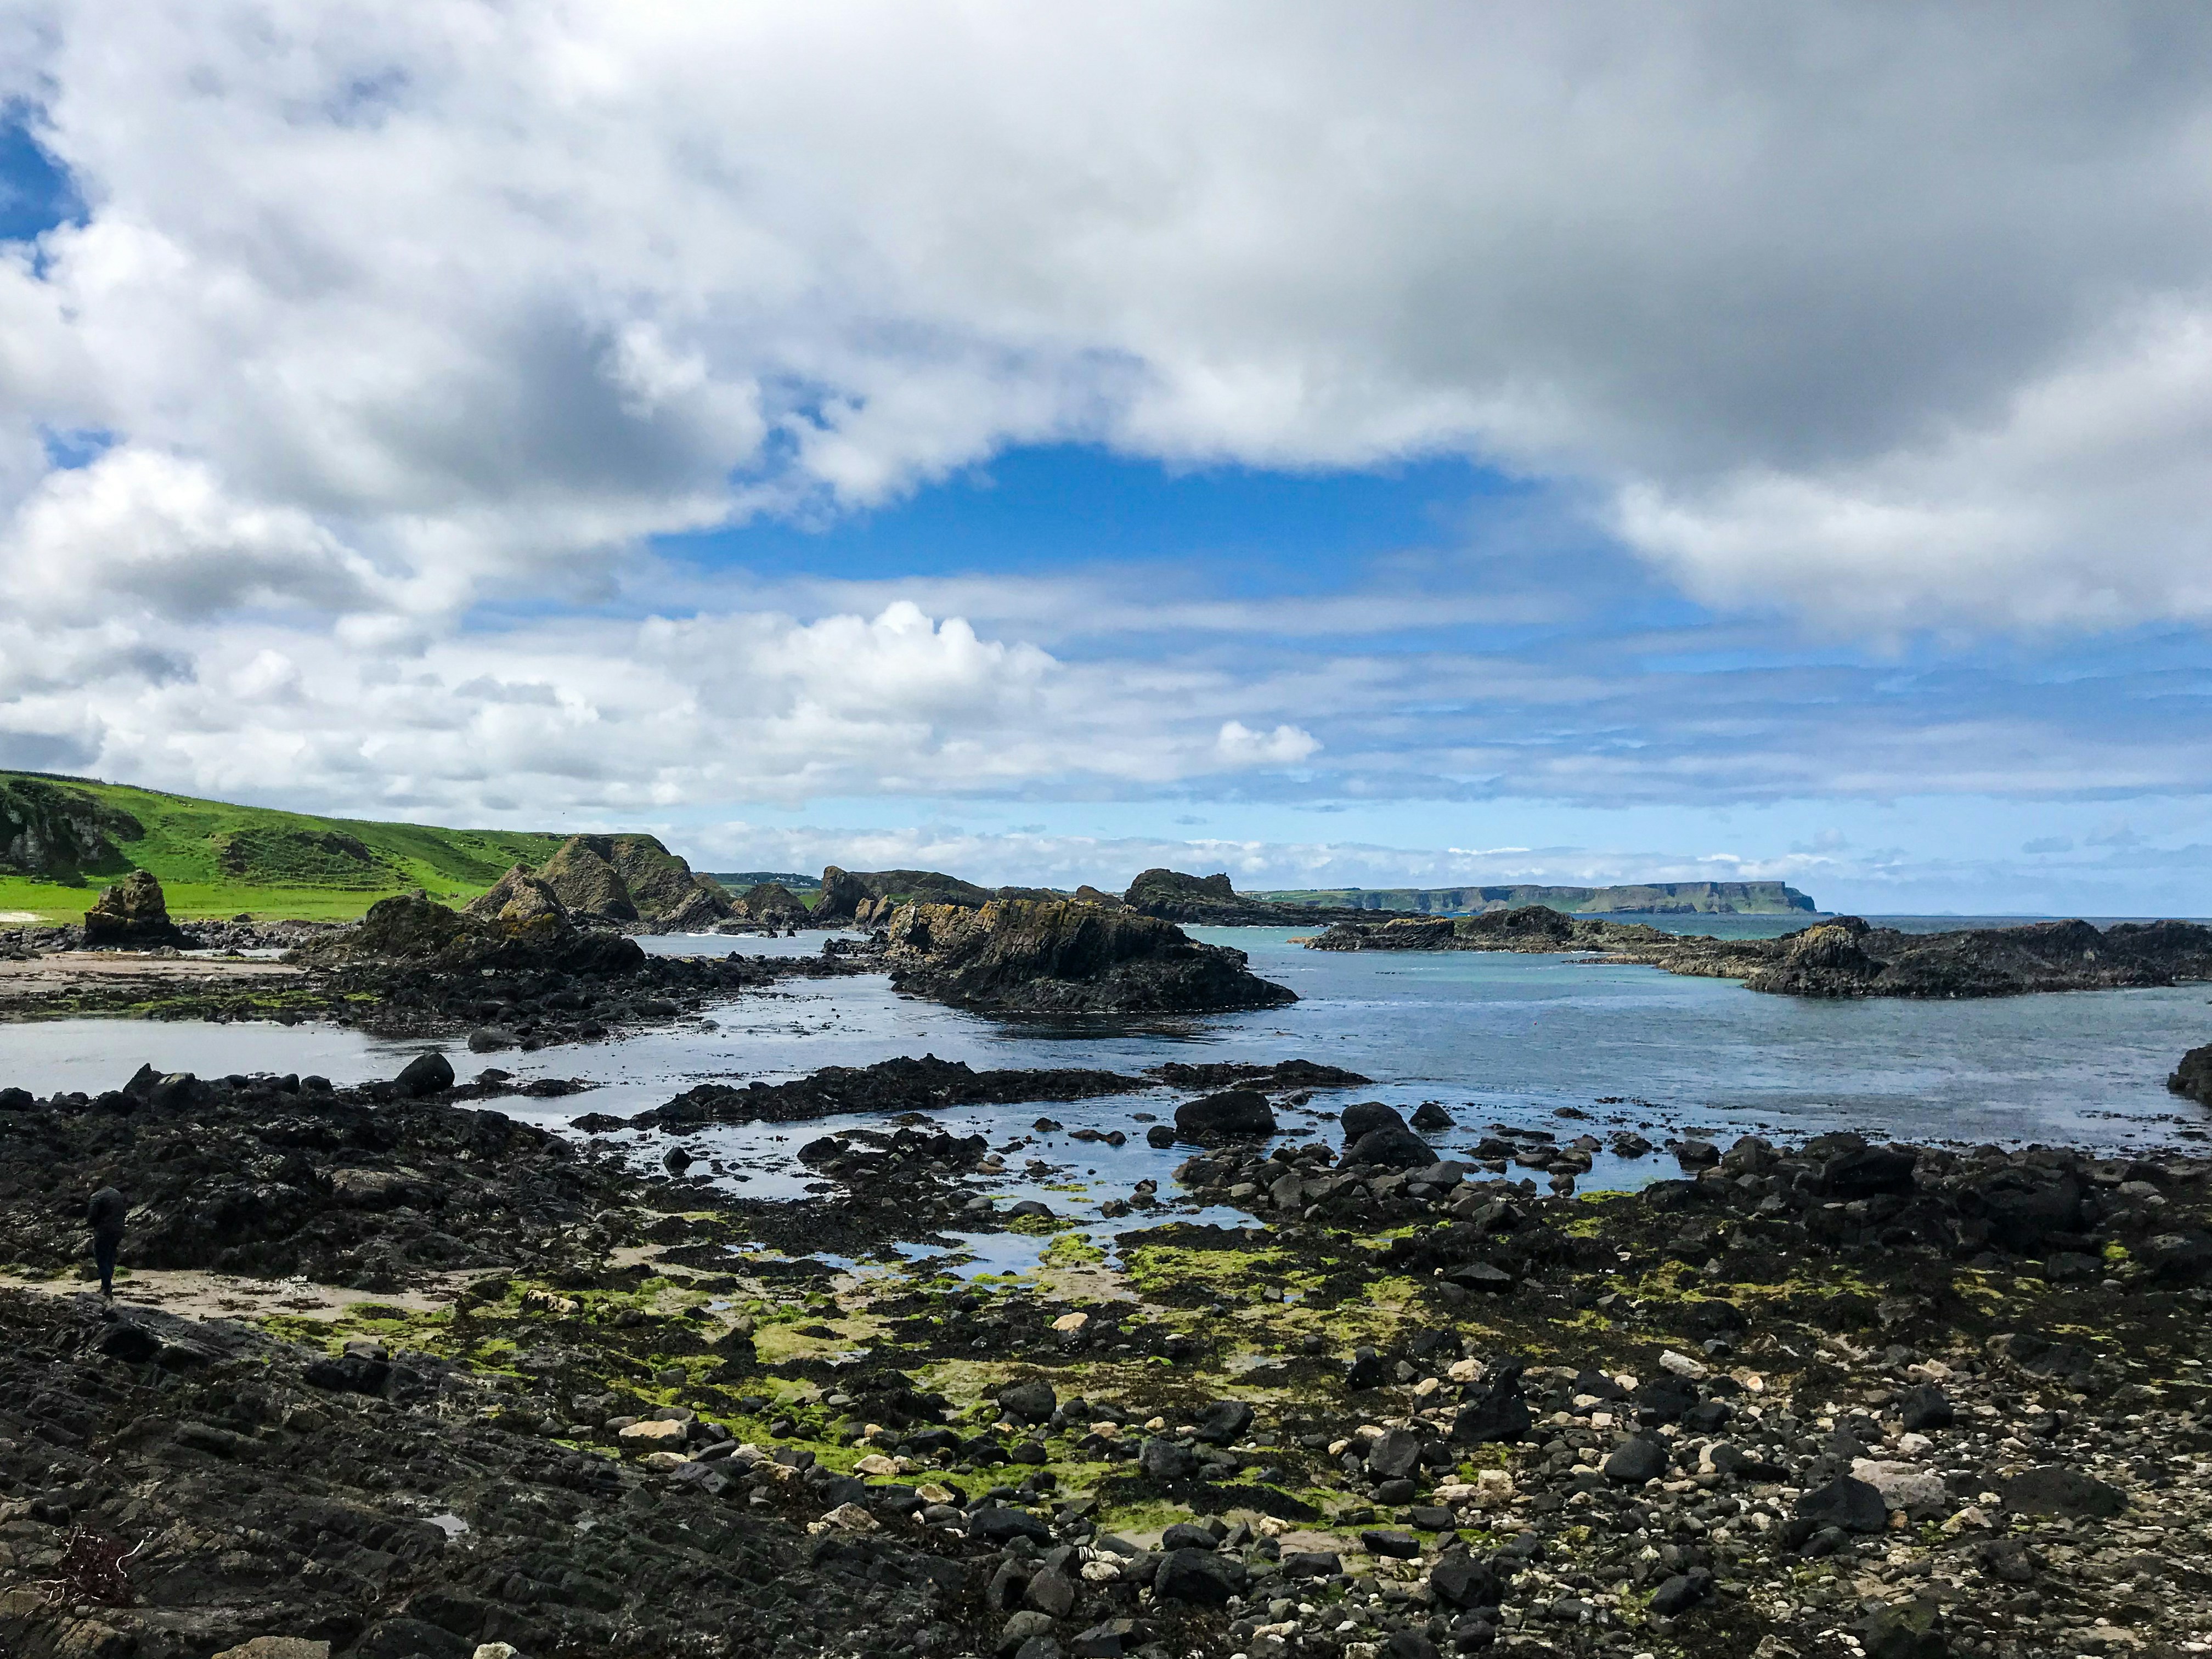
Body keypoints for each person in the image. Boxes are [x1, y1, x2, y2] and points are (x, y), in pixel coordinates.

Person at [86, 1184, 127, 1302]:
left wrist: (94, 1226)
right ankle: (107, 1286)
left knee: (101, 1259)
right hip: (119, 1229)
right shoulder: (116, 1193)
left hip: (104, 1231)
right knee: (110, 1257)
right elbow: (123, 1211)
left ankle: (106, 1288)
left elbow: (92, 1217)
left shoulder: (96, 1197)